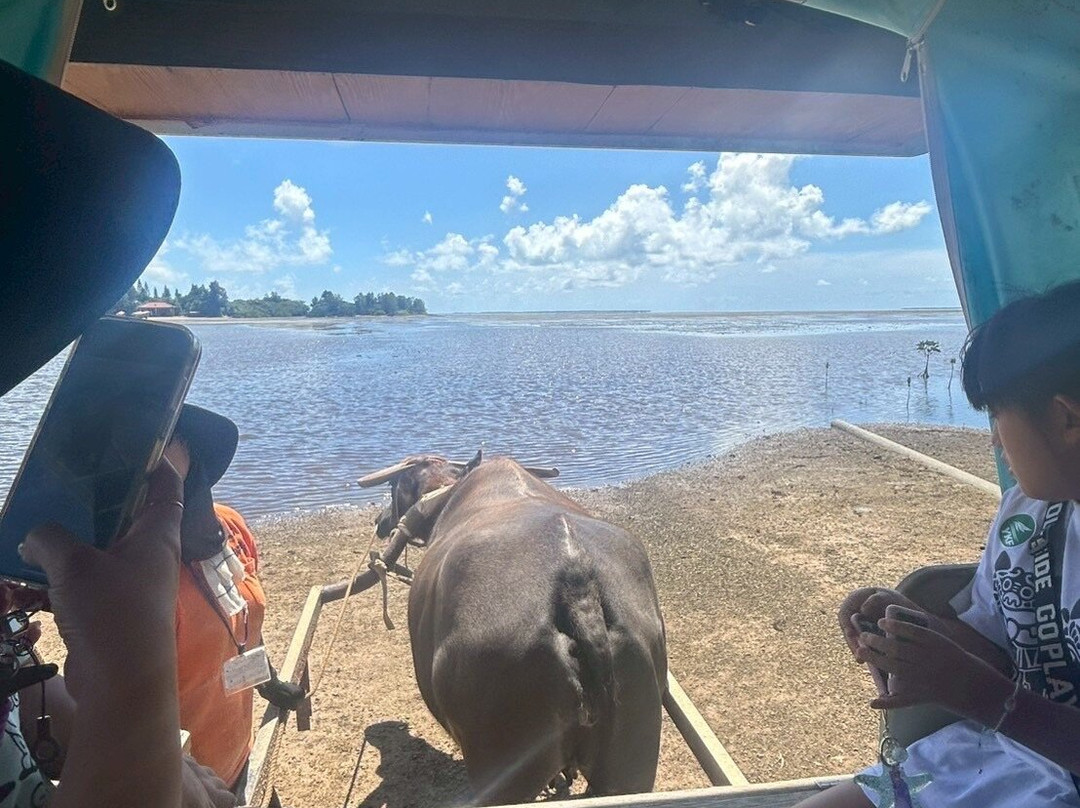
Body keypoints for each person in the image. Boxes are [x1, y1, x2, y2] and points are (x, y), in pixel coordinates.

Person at [797, 279, 1080, 808]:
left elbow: (992, 690)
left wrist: (988, 700)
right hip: (997, 755)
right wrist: (912, 628)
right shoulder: (1027, 515)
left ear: (1066, 418)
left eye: (998, 415)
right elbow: (1000, 652)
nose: (995, 439)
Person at [163, 404, 267, 797]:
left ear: (191, 451)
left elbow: (246, 617)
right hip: (194, 792)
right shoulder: (131, 581)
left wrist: (267, 679)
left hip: (242, 756)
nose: (154, 464)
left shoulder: (229, 525)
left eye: (169, 441)